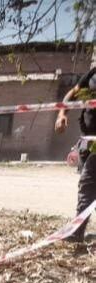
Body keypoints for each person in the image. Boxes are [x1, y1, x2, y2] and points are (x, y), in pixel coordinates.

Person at [55, 63, 96, 243]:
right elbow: (72, 93)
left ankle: (77, 231)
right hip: (89, 141)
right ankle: (77, 230)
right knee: (88, 183)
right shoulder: (93, 74)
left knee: (88, 182)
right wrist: (61, 114)